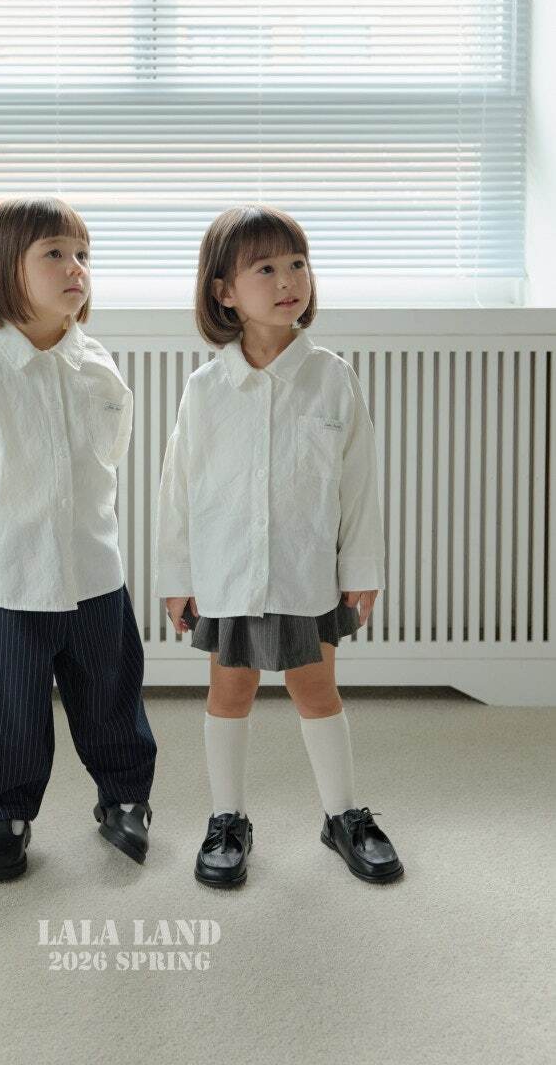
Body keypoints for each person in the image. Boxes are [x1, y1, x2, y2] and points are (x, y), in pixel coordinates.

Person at [0, 196, 157, 882]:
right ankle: (6, 816)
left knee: (110, 692)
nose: (75, 268)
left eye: (82, 255)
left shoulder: (95, 364)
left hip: (92, 569)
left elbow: (110, 450)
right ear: (4, 271)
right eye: (54, 254)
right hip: (5, 577)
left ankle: (125, 797)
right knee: (6, 702)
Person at [153, 204, 403, 888]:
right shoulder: (205, 389)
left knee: (316, 689)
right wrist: (176, 575)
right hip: (228, 574)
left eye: (297, 263)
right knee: (229, 691)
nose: (287, 279)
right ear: (224, 291)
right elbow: (177, 488)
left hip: (304, 572)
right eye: (264, 268)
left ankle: (342, 815)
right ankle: (227, 819)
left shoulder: (333, 378)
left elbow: (359, 484)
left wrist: (361, 567)